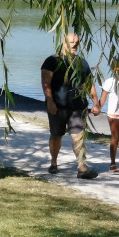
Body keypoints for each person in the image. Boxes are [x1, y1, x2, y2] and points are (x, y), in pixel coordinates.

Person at [40, 32, 97, 178]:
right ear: (63, 42)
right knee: (56, 136)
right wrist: (50, 101)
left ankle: (82, 168)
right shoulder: (51, 61)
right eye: (72, 42)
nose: (75, 45)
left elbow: (89, 84)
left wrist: (96, 102)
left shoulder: (82, 63)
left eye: (77, 42)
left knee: (78, 136)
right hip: (58, 106)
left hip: (77, 107)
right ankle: (53, 162)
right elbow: (46, 83)